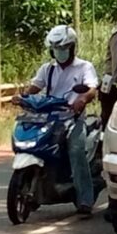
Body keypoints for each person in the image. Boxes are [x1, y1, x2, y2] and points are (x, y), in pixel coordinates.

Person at [20, 25, 100, 217]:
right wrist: (23, 97)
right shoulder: (47, 69)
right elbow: (34, 87)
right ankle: (35, 188)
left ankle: (85, 199)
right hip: (48, 119)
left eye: (64, 48)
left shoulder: (84, 67)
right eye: (56, 49)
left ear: (72, 48)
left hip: (73, 119)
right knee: (33, 145)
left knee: (76, 151)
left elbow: (92, 89)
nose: (60, 53)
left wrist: (82, 99)